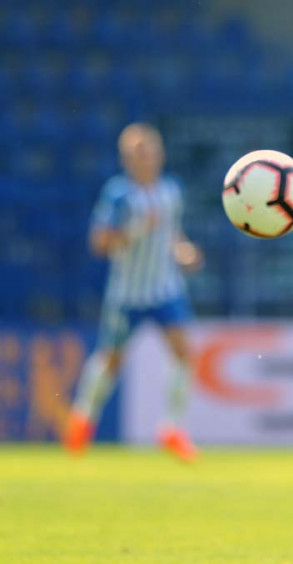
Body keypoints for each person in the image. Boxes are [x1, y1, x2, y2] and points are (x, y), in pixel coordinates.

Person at [62, 123, 202, 462]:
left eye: (149, 151)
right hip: (128, 293)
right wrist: (137, 229)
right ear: (126, 159)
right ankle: (82, 418)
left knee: (184, 352)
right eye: (137, 153)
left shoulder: (171, 191)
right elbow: (100, 242)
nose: (144, 158)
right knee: (111, 360)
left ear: (160, 154)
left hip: (165, 288)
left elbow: (173, 235)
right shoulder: (119, 195)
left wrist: (184, 252)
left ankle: (172, 429)